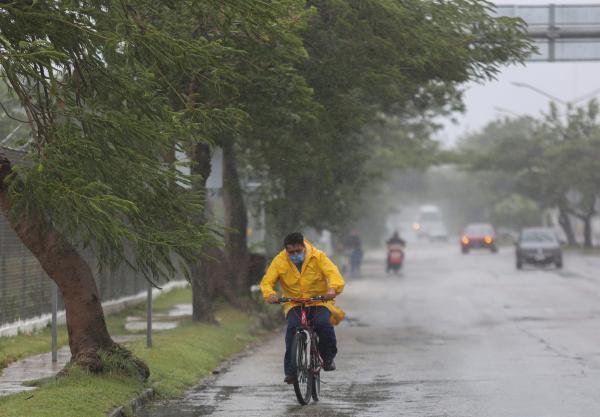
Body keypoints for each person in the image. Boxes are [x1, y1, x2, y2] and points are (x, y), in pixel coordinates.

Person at [260, 232, 345, 384]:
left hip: (319, 301)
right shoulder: (279, 261)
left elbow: (333, 274)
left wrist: (332, 289)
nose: (295, 255)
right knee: (292, 328)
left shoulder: (318, 256)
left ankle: (327, 358)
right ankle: (291, 372)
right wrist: (270, 294)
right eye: (291, 252)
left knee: (323, 325)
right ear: (286, 250)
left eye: (298, 251)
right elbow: (267, 282)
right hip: (294, 303)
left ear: (304, 247)